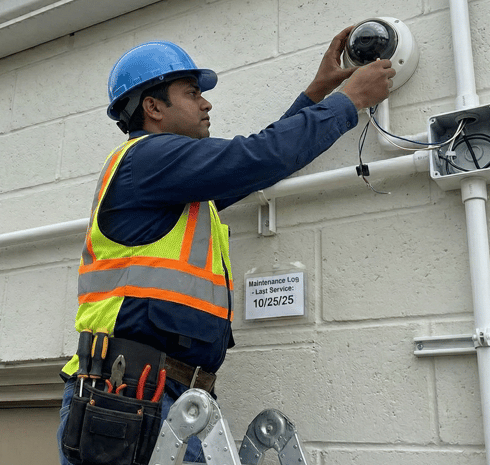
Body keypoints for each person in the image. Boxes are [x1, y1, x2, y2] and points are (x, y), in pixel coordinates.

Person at [57, 26, 395, 464]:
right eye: (192, 93)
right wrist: (349, 101)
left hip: (160, 398)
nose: (206, 103)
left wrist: (316, 94)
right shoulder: (148, 160)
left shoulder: (173, 185)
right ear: (153, 107)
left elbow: (256, 166)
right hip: (131, 396)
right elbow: (255, 157)